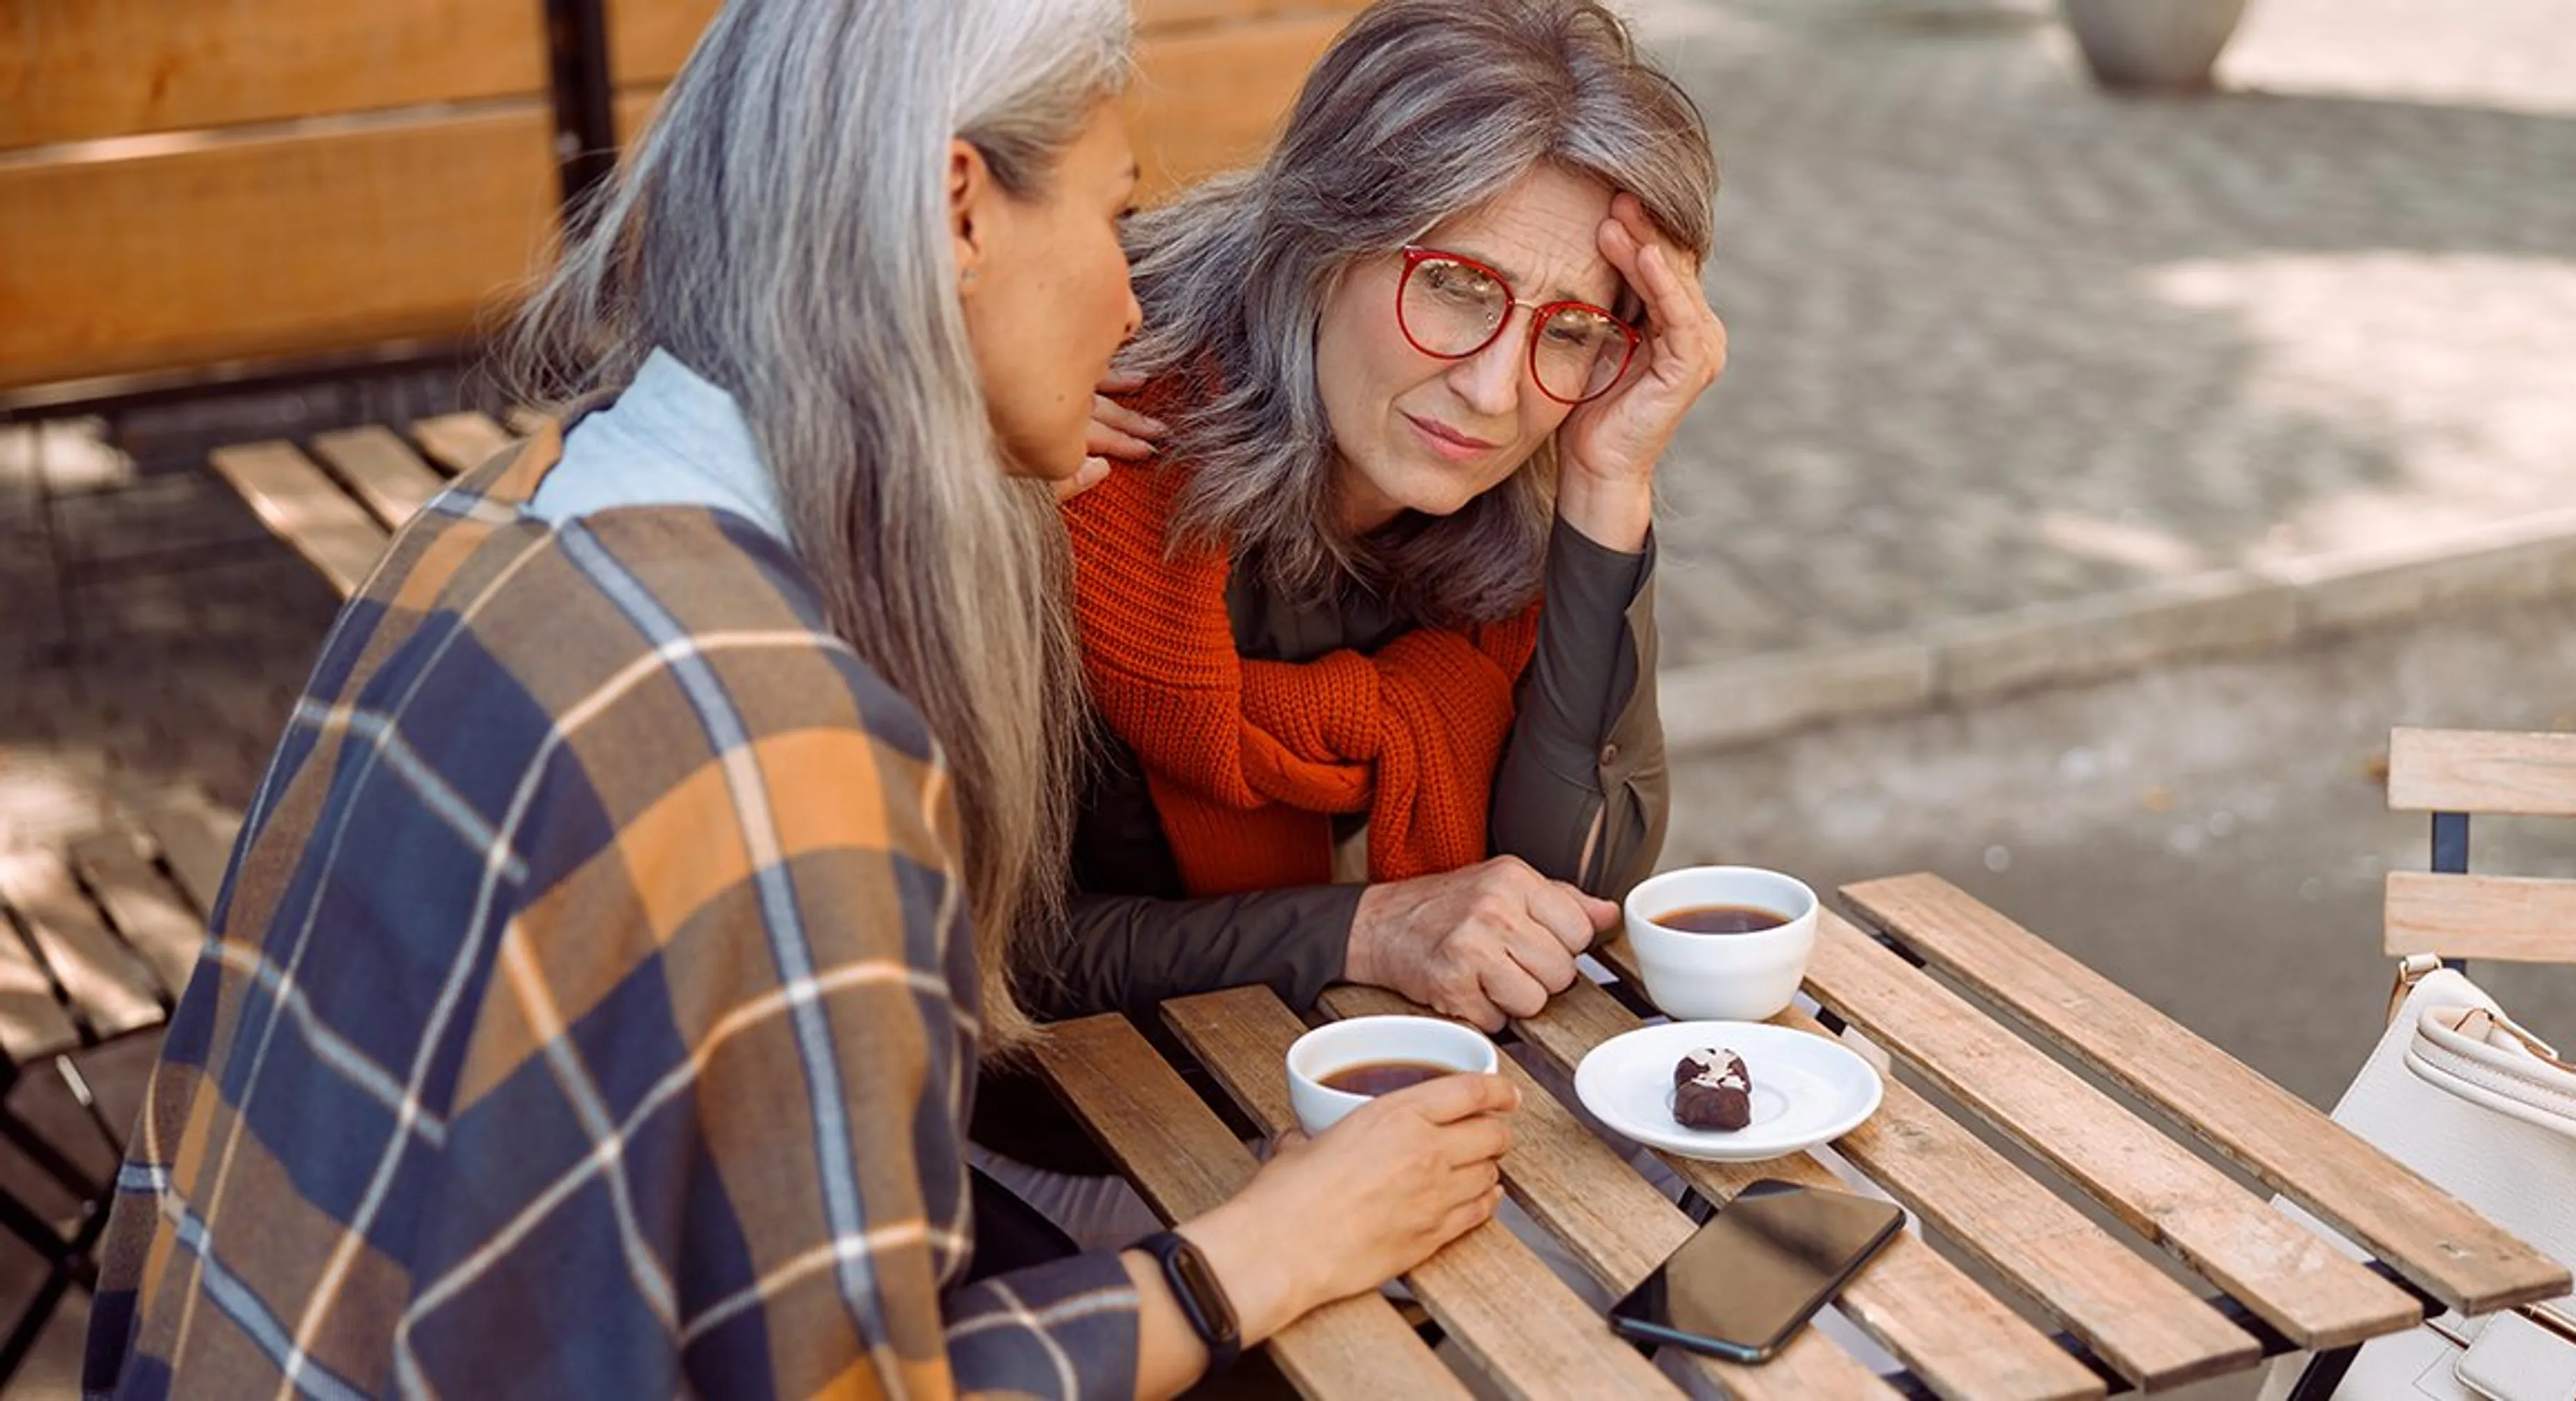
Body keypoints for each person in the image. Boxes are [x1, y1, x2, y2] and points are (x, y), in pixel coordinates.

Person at [79, 2, 1514, 1396]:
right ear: (959, 211)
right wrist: (1258, 1254)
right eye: (1110, 212)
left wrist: (959, 475)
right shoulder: (787, 748)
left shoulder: (500, 518)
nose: (1133, 296)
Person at [1035, 0, 1724, 1034]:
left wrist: (1609, 484)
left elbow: (1565, 893)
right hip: (1062, 1139)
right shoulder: (1080, 449)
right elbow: (989, 948)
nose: (1497, 391)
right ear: (1319, 240)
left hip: (1326, 1092)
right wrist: (1364, 930)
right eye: (1455, 285)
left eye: (1573, 328)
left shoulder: (1549, 462)